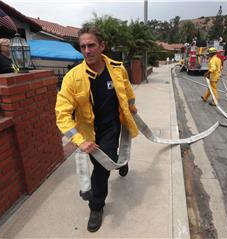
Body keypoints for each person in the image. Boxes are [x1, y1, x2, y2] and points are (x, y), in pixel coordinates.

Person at [55, 25, 139, 233]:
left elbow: (127, 90)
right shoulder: (72, 78)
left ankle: (96, 206)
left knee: (101, 169)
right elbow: (62, 114)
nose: (86, 50)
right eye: (82, 46)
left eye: (91, 45)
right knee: (104, 161)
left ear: (102, 46)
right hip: (88, 133)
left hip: (112, 126)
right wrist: (78, 140)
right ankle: (119, 162)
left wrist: (130, 104)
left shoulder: (118, 69)